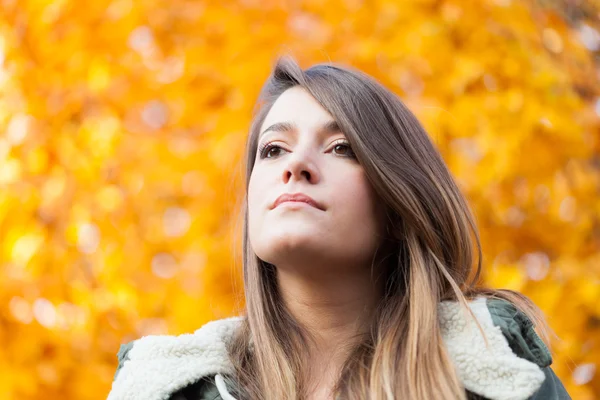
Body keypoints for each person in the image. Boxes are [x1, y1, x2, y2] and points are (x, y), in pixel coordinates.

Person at [107, 56, 571, 400]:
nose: (297, 165)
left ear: (398, 199)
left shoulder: (498, 373)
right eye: (273, 150)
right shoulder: (164, 388)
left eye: (341, 148)